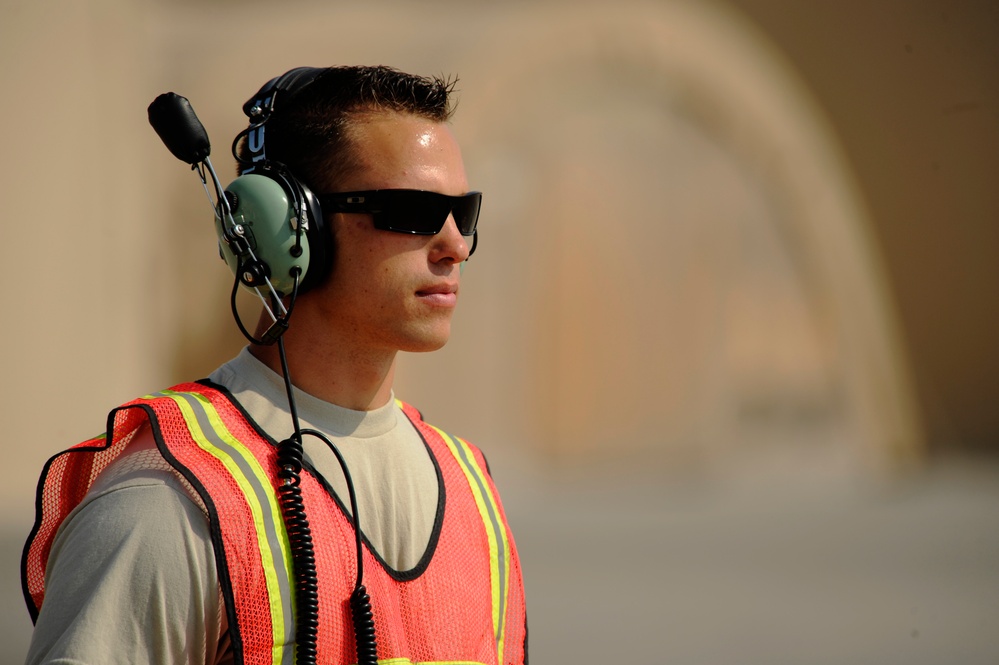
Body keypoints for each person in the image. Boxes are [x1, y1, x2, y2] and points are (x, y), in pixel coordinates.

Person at [22, 65, 527, 665]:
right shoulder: (164, 506)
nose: (456, 246)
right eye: (412, 210)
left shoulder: (475, 494)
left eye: (462, 211)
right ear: (285, 226)